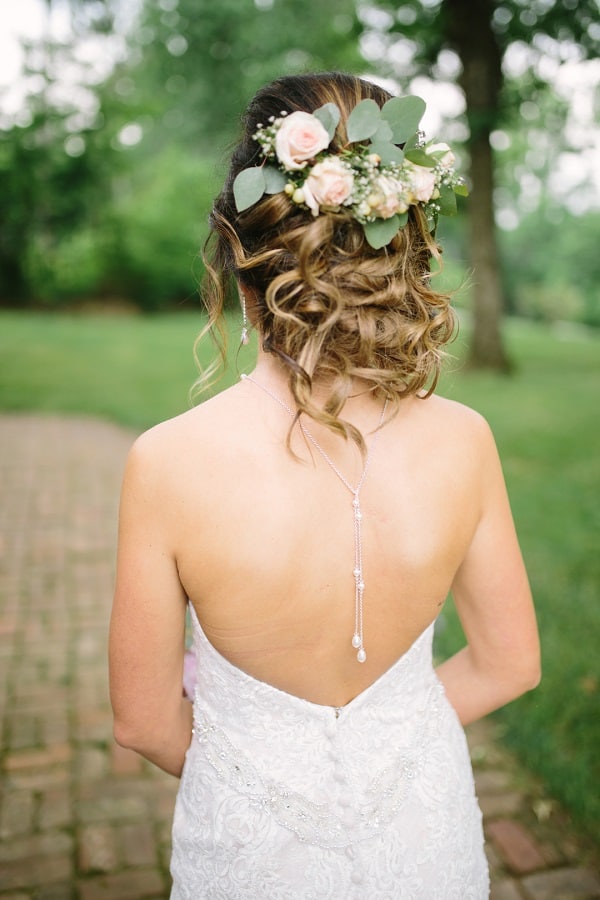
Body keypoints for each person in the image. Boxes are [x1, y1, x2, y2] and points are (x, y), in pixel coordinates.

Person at [109, 72, 540, 898]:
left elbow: (145, 720)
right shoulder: (466, 441)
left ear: (241, 260)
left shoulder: (166, 463)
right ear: (399, 250)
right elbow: (509, 664)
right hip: (423, 825)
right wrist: (384, 742)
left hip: (252, 844)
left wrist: (265, 761)